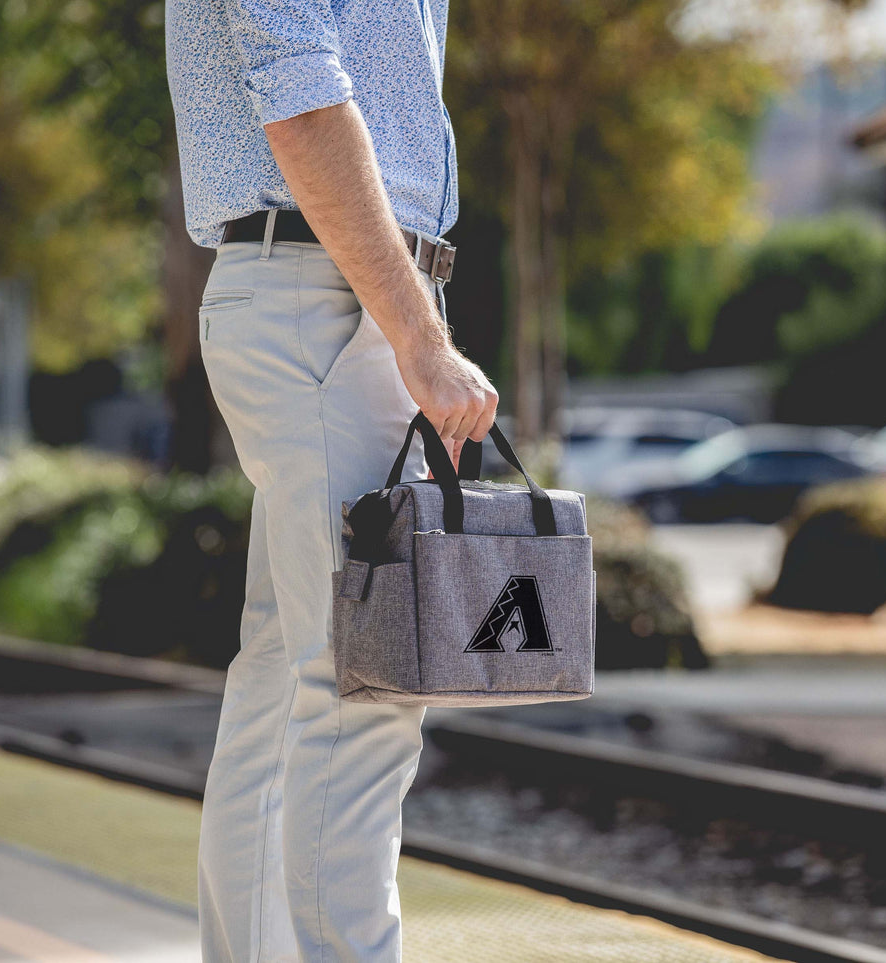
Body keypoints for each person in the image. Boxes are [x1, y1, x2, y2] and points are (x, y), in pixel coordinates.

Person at [164, 0, 497, 959]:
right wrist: (420, 340)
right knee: (366, 684)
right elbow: (302, 98)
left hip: (328, 291)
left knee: (285, 678)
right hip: (330, 301)